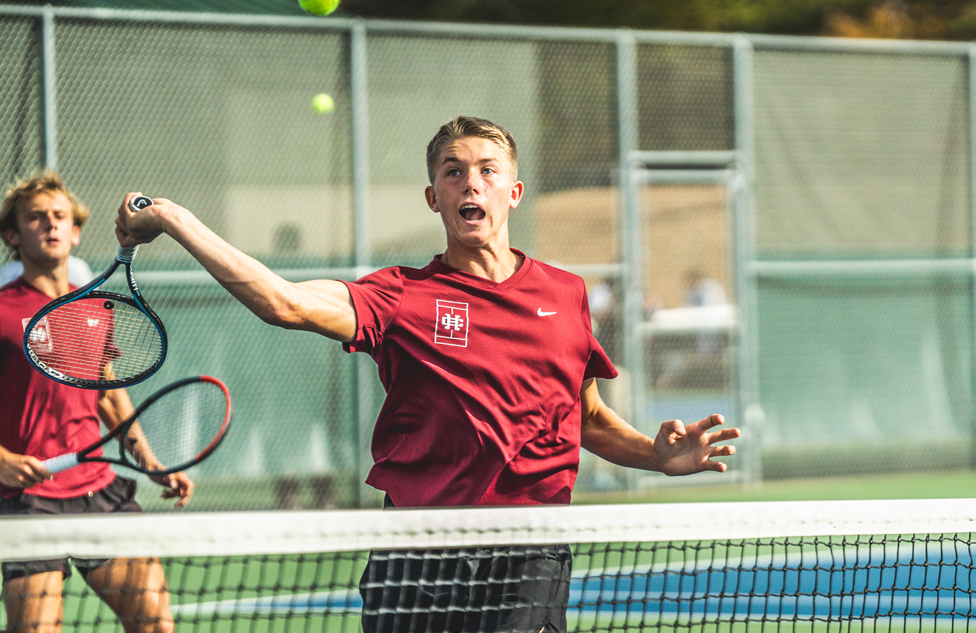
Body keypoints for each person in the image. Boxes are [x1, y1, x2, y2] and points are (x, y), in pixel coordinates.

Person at [114, 116, 740, 633]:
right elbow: (284, 301)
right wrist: (174, 218)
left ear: (513, 192)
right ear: (434, 196)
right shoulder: (400, 297)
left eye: (488, 171)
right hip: (418, 544)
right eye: (454, 172)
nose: (472, 183)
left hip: (529, 546)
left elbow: (587, 418)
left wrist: (655, 456)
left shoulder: (567, 293)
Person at [0, 170, 194, 633]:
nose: (50, 225)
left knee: (155, 625)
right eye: (36, 218)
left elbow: (104, 387)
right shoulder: (2, 309)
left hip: (100, 491)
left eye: (59, 216)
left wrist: (145, 453)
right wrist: (1, 460)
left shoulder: (93, 306)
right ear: (12, 234)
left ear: (75, 231)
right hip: (29, 500)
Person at [0, 255, 94, 288]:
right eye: (35, 217)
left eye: (59, 217)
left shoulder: (78, 267)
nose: (52, 225)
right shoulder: (7, 270)